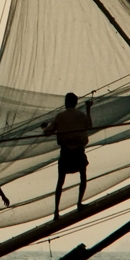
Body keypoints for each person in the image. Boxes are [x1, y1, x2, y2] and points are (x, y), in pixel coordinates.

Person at [41, 92, 92, 220]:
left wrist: (44, 128)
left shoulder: (59, 116)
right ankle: (79, 203)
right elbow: (89, 125)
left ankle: (56, 211)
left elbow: (47, 132)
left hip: (66, 152)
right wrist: (88, 109)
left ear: (65, 103)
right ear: (75, 103)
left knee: (60, 182)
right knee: (83, 176)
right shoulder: (80, 115)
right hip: (78, 151)